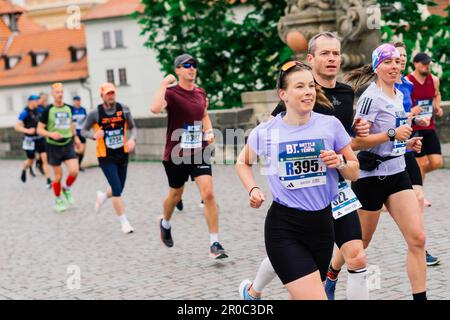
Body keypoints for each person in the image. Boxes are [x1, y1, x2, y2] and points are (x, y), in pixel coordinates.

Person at [239, 32, 369, 301]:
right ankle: (253, 291)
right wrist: (252, 188)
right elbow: (243, 161)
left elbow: (354, 168)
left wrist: (341, 161)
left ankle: (252, 293)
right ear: (282, 94)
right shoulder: (268, 131)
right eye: (300, 87)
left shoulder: (330, 124)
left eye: (311, 86)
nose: (309, 92)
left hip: (324, 220)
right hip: (285, 224)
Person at [346, 43, 427, 300]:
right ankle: (333, 271)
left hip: (398, 174)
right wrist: (392, 133)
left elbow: (394, 139)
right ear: (377, 67)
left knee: (418, 239)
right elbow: (356, 143)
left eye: (396, 61)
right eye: (387, 62)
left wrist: (405, 143)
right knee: (360, 244)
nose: (394, 66)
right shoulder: (370, 98)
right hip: (371, 179)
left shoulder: (398, 94)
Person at [150, 53, 226, 259]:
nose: (191, 68)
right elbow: (155, 108)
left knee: (208, 193)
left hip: (199, 150)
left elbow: (203, 115)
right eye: (186, 65)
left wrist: (209, 132)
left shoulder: (200, 93)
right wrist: (164, 83)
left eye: (194, 65)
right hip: (176, 153)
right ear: (177, 70)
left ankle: (215, 243)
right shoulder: (171, 93)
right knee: (175, 195)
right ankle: (165, 223)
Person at [394, 43, 439, 266]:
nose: (400, 59)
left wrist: (414, 119)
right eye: (396, 56)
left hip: (404, 149)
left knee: (418, 197)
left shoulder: (406, 85)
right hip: (380, 157)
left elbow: (405, 113)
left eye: (403, 56)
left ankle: (421, 247)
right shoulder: (375, 88)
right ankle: (333, 271)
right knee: (361, 239)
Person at [82, 83, 137, 234]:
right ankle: (124, 223)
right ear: (102, 96)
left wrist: (132, 139)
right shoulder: (95, 113)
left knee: (119, 187)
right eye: (107, 93)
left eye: (112, 93)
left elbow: (133, 128)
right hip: (105, 156)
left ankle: (103, 195)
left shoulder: (124, 109)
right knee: (117, 191)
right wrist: (93, 136)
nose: (110, 95)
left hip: (122, 153)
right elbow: (83, 130)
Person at [37, 83, 81, 212]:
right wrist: (51, 133)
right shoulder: (48, 110)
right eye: (57, 92)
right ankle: (58, 199)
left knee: (74, 171)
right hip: (53, 146)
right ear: (52, 94)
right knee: (58, 176)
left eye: (61, 92)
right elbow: (39, 129)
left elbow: (71, 124)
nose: (60, 94)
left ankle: (66, 188)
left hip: (67, 144)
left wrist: (76, 137)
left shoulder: (69, 108)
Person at [407, 53, 444, 206]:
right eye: (423, 63)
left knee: (436, 162)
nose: (427, 66)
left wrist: (438, 106)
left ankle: (410, 178)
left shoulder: (434, 79)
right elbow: (401, 102)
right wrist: (412, 110)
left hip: (429, 126)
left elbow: (437, 94)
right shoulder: (408, 81)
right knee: (421, 164)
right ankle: (418, 196)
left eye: (428, 63)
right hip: (414, 127)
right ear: (415, 63)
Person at [15, 94, 52, 188]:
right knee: (30, 160)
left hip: (40, 138)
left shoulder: (40, 110)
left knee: (45, 158)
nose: (37, 102)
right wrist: (27, 130)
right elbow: (17, 126)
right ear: (30, 101)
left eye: (38, 100)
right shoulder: (25, 112)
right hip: (29, 140)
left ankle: (48, 180)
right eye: (36, 101)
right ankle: (24, 169)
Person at [72, 96, 88, 171]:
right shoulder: (71, 109)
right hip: (75, 132)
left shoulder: (83, 109)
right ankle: (75, 165)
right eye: (76, 100)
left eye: (79, 100)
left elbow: (86, 120)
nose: (78, 102)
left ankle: (78, 165)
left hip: (82, 132)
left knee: (82, 151)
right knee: (78, 149)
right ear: (74, 101)